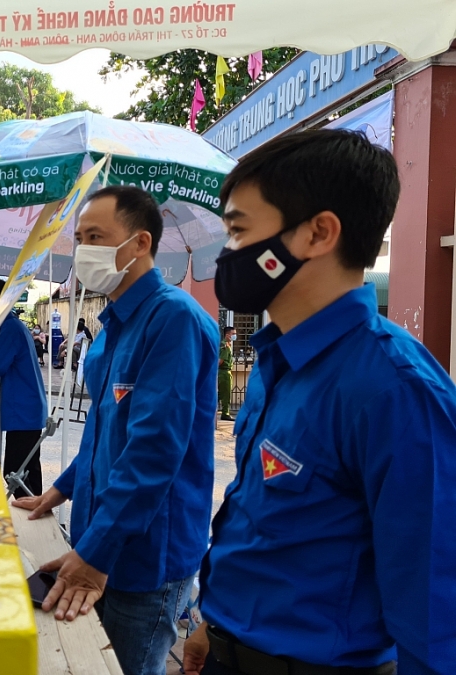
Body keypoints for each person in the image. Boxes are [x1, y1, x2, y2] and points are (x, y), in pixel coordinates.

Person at [182, 130, 456, 675]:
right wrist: (211, 625)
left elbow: (434, 607)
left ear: (318, 233)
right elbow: (264, 525)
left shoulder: (395, 389)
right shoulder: (273, 363)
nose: (228, 253)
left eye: (238, 230)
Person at [15, 186, 217, 675]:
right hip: (97, 540)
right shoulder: (112, 328)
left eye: (97, 237)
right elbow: (106, 434)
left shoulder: (173, 320)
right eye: (80, 237)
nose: (83, 250)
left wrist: (95, 555)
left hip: (145, 556)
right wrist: (59, 491)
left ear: (140, 243)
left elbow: (152, 451)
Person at [0, 278, 48, 496]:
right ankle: (37, 516)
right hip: (28, 408)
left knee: (16, 473)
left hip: (24, 410)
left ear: (2, 300)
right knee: (27, 470)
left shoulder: (10, 328)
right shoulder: (13, 325)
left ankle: (32, 517)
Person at [218, 326, 235, 421]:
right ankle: (225, 413)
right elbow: (220, 361)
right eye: (233, 334)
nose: (234, 336)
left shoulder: (225, 345)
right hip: (225, 373)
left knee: (220, 394)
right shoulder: (226, 347)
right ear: (227, 335)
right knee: (226, 394)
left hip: (222, 372)